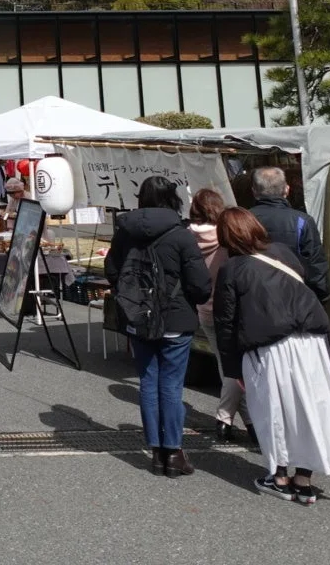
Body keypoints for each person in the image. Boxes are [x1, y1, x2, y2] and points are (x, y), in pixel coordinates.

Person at [214, 208, 330, 506]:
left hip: (269, 346)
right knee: (309, 408)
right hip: (311, 341)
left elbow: (225, 323)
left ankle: (279, 477)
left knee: (274, 411)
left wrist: (233, 369)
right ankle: (304, 480)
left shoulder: (233, 269)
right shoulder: (283, 253)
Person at [105, 175, 211, 478]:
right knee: (171, 385)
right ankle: (174, 452)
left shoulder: (124, 231)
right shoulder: (181, 235)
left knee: (149, 382)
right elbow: (200, 285)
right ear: (172, 199)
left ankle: (156, 452)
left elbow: (112, 270)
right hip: (175, 318)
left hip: (138, 316)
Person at [189, 187, 247, 443]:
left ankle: (249, 422)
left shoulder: (187, 237)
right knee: (234, 368)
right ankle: (224, 418)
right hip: (231, 308)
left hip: (204, 308)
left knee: (228, 366)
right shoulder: (227, 234)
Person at [247, 166, 329, 302]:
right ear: (287, 189)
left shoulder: (243, 219)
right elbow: (315, 265)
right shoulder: (303, 221)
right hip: (295, 295)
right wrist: (321, 296)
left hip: (255, 294)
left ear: (254, 191)